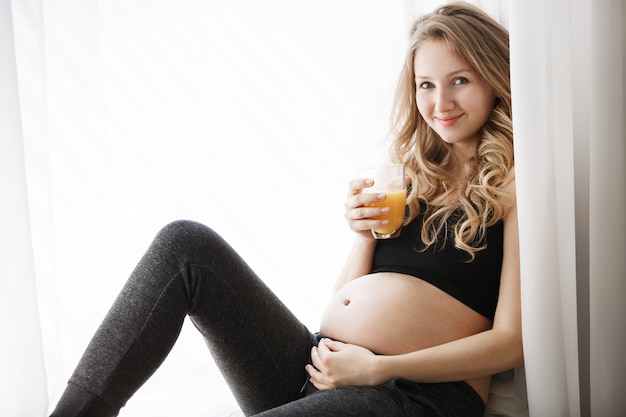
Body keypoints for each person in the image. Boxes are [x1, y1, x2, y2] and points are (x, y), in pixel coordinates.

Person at [50, 2, 521, 416]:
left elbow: (512, 342)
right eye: (426, 84)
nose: (440, 103)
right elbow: (343, 302)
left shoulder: (517, 185)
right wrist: (362, 235)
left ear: (494, 78)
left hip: (415, 395)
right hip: (322, 366)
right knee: (185, 246)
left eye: (459, 80)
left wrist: (380, 370)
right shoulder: (408, 179)